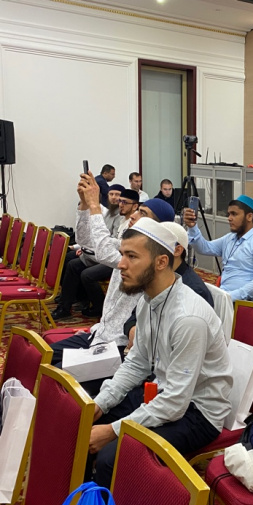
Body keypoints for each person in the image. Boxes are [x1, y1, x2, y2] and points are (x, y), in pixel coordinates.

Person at [87, 218, 233, 488]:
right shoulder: (148, 301)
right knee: (85, 423)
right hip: (163, 392)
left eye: (132, 256)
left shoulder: (188, 318)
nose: (121, 264)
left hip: (198, 413)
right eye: (122, 254)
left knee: (112, 457)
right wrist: (102, 403)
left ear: (161, 262)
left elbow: (176, 402)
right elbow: (137, 363)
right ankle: (84, 501)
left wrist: (113, 431)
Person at [50, 173, 173, 368]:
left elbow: (104, 251)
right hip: (100, 333)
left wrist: (95, 206)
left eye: (143, 213)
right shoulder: (128, 242)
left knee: (56, 372)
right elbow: (86, 241)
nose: (134, 215)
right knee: (39, 355)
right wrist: (84, 204)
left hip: (116, 345)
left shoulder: (148, 261)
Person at [122, 221, 214, 353]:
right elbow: (134, 318)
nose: (121, 264)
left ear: (177, 250)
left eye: (132, 256)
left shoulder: (193, 294)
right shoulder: (154, 282)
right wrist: (133, 331)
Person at [52, 187, 140, 320]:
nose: (120, 204)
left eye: (124, 202)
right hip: (106, 253)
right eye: (120, 201)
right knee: (73, 265)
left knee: (87, 274)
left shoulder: (132, 223)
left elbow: (117, 246)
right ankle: (65, 306)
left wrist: (95, 246)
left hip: (118, 261)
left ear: (135, 206)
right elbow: (101, 238)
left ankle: (100, 307)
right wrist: (87, 247)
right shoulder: (121, 219)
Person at [183, 195, 253, 302]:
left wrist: (233, 296)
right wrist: (192, 227)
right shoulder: (230, 238)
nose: (229, 218)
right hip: (224, 296)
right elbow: (204, 248)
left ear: (249, 217)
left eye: (234, 214)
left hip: (244, 302)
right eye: (229, 214)